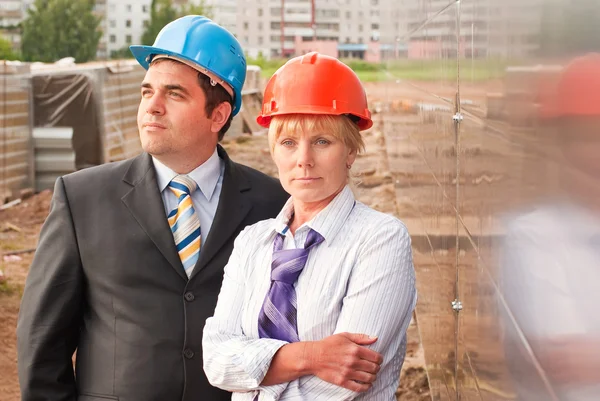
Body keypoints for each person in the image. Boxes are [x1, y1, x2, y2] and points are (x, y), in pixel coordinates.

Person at [17, 15, 288, 401]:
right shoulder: (81, 199)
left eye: (174, 94)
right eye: (147, 92)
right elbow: (41, 344)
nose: (152, 107)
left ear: (219, 114)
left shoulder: (273, 205)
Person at [202, 52, 417, 400]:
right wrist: (310, 357)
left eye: (322, 141)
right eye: (288, 143)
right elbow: (215, 362)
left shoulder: (380, 240)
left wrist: (253, 376)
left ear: (350, 152)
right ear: (274, 152)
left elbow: (343, 381)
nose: (303, 159)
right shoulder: (252, 243)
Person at [500, 53, 600, 401]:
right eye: (585, 135)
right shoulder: (533, 238)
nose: (594, 153)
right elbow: (567, 366)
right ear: (562, 144)